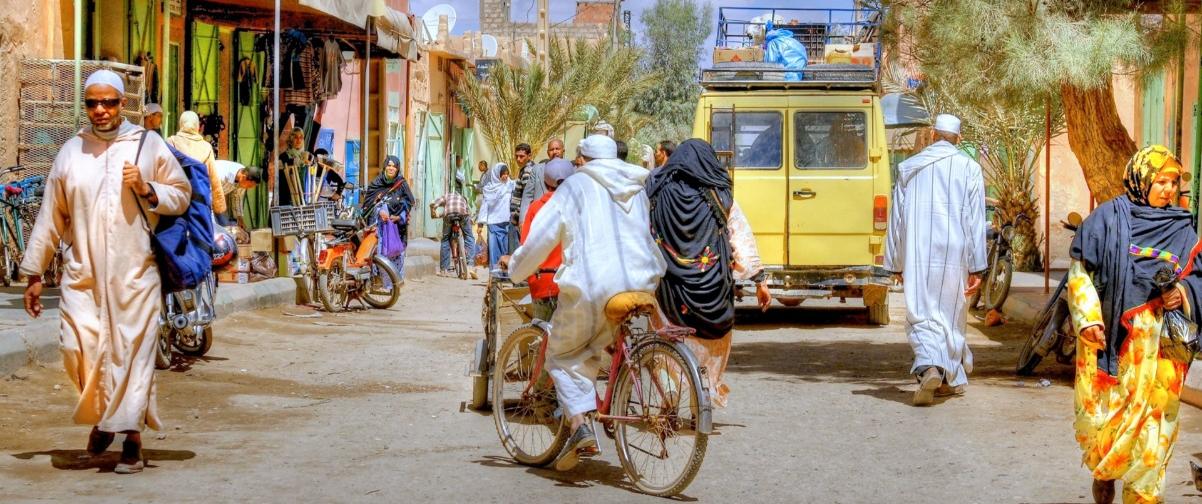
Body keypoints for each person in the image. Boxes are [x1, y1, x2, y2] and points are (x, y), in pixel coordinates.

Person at [20, 70, 192, 474]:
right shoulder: (70, 152)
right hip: (83, 276)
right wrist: (33, 274)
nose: (100, 110)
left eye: (109, 102)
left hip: (136, 273)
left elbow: (181, 195)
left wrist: (149, 188)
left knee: (132, 354)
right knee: (77, 349)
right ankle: (103, 417)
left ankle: (130, 436)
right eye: (93, 103)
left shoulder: (148, 146)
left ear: (122, 103)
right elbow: (50, 216)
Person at [501, 135, 666, 471]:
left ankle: (579, 427)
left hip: (594, 286)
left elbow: (540, 240)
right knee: (595, 341)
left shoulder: (574, 189)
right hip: (641, 280)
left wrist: (517, 269)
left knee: (561, 355)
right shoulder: (636, 185)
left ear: (583, 160)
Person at [1068, 145, 1202, 504]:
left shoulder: (1182, 227)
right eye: (1161, 181)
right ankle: (1107, 469)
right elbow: (1080, 275)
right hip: (1114, 340)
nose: (1169, 190)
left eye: (1174, 182)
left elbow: (1199, 275)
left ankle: (1144, 493)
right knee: (1111, 416)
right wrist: (1088, 320)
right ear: (1141, 180)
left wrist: (1183, 293)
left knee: (1159, 419)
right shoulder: (1107, 218)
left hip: (1165, 343)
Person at [647, 139, 771, 409]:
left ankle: (671, 393)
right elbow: (742, 241)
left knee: (665, 342)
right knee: (712, 345)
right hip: (713, 292)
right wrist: (759, 281)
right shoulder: (721, 198)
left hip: (669, 292)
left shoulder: (657, 194)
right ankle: (704, 396)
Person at [883, 114, 986, 407]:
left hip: (917, 250)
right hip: (955, 252)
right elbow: (976, 220)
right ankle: (944, 378)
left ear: (931, 135)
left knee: (921, 313)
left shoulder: (909, 168)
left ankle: (930, 368)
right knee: (950, 316)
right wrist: (977, 265)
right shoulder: (970, 168)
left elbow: (897, 219)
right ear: (959, 139)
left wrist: (896, 262)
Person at [518, 158, 575, 321]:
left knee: (542, 336)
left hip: (542, 282)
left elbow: (526, 246)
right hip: (571, 285)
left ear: (544, 181)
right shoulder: (578, 207)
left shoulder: (535, 208)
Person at [166, 111, 227, 219]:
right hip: (198, 203)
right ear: (198, 127)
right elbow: (214, 180)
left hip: (175, 200)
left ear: (181, 124)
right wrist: (220, 209)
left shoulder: (171, 142)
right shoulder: (206, 147)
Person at [362, 155, 414, 279]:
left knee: (397, 252)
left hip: (397, 226)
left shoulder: (402, 183)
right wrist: (379, 211)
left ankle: (397, 280)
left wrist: (399, 216)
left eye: (394, 166)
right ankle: (380, 278)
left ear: (397, 169)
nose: (391, 168)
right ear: (385, 167)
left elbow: (409, 202)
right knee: (380, 252)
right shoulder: (376, 183)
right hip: (379, 226)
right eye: (389, 166)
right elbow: (368, 205)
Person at [430, 176, 478, 279]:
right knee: (469, 237)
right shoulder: (463, 199)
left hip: (449, 215)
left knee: (445, 239)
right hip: (462, 214)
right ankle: (470, 266)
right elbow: (467, 214)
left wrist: (433, 210)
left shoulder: (447, 196)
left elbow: (435, 204)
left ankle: (444, 270)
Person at [478, 162, 515, 271]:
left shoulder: (510, 185)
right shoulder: (489, 189)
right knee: (494, 251)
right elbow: (484, 207)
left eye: (507, 173)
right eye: (503, 173)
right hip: (493, 223)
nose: (505, 176)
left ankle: (504, 275)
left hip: (506, 223)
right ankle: (494, 276)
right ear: (496, 174)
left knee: (505, 250)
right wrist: (480, 224)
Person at [213, 160, 262, 228]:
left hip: (215, 201)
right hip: (203, 195)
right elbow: (208, 193)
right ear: (244, 177)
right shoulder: (222, 175)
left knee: (225, 225)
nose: (248, 188)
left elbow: (237, 197)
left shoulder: (242, 175)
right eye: (249, 186)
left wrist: (239, 218)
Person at [509, 143, 536, 248]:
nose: (518, 159)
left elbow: (527, 197)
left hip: (521, 217)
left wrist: (521, 218)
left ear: (529, 156)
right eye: (516, 156)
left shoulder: (527, 171)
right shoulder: (526, 169)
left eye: (522, 156)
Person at [277, 128, 310, 206]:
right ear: (291, 139)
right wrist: (295, 162)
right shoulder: (284, 156)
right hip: (287, 199)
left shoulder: (306, 156)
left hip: (303, 198)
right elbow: (281, 165)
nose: (298, 140)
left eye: (301, 137)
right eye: (295, 137)